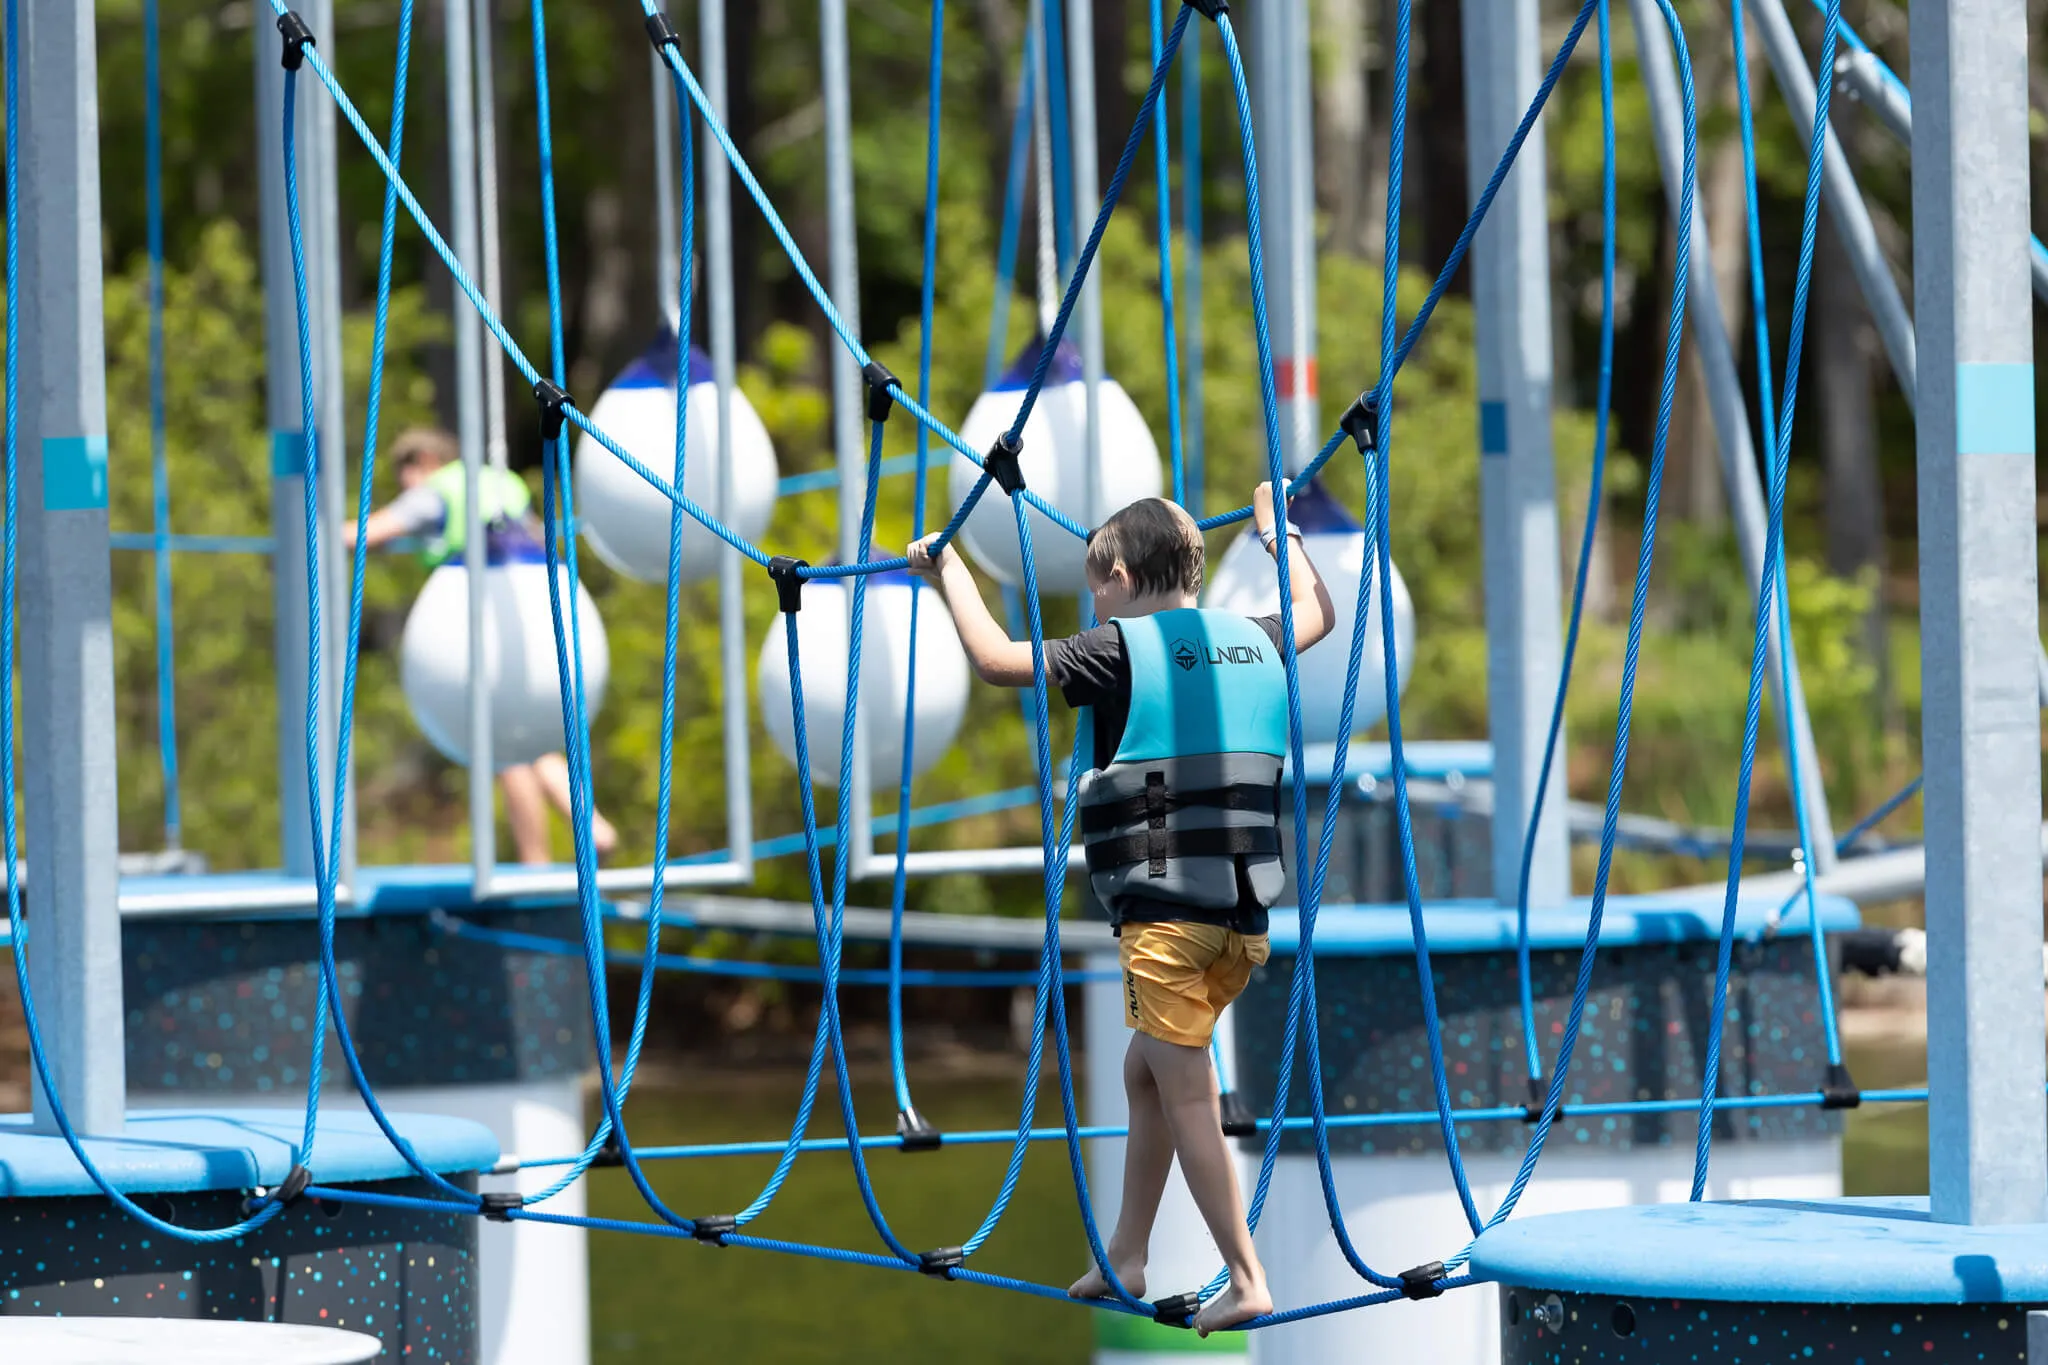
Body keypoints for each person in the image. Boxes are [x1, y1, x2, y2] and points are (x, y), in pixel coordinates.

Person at [908, 484, 1334, 1335]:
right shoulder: (1252, 640)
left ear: (1125, 576)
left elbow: (997, 659)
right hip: (1242, 923)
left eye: (1097, 584)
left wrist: (945, 567)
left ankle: (1246, 1274)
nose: (1093, 601)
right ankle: (1129, 1253)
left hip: (1168, 921)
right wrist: (1276, 535)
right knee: (1147, 1072)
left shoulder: (1118, 649)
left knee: (1182, 1091)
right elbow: (1316, 611)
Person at [345, 427, 619, 865]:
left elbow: (365, 534)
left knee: (503, 744)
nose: (406, 487)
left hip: (481, 621)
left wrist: (318, 535)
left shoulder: (436, 490)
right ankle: (591, 824)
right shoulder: (502, 483)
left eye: (406, 476)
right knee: (532, 738)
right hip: (534, 613)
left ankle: (535, 859)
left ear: (424, 463)